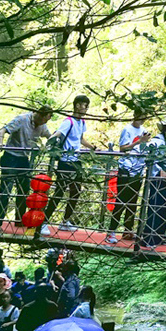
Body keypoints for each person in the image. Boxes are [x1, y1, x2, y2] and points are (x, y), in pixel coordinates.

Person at [0, 105, 52, 231]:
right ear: (40, 115)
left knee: (23, 190)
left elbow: (50, 136)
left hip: (24, 159)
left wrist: (51, 147)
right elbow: (2, 130)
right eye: (44, 119)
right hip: (11, 157)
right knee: (6, 190)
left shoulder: (42, 125)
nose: (44, 123)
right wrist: (0, 143)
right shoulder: (22, 119)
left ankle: (19, 220)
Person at [49, 96, 98, 232]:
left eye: (87, 106)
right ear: (76, 106)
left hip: (76, 161)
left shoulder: (81, 122)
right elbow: (57, 134)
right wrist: (49, 144)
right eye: (83, 105)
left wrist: (92, 147)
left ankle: (65, 221)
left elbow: (80, 139)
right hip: (65, 161)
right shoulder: (68, 122)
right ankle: (43, 222)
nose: (85, 108)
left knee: (76, 191)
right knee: (59, 192)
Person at [105, 110, 150, 244]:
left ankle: (128, 230)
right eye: (140, 118)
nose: (141, 121)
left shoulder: (143, 129)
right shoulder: (127, 130)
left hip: (138, 170)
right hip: (126, 169)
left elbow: (143, 147)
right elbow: (122, 148)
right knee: (121, 201)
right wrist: (139, 142)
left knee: (132, 202)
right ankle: (111, 231)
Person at [138, 120, 166, 249]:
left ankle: (160, 234)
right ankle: (148, 236)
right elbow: (147, 153)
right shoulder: (158, 140)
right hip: (158, 176)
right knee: (155, 205)